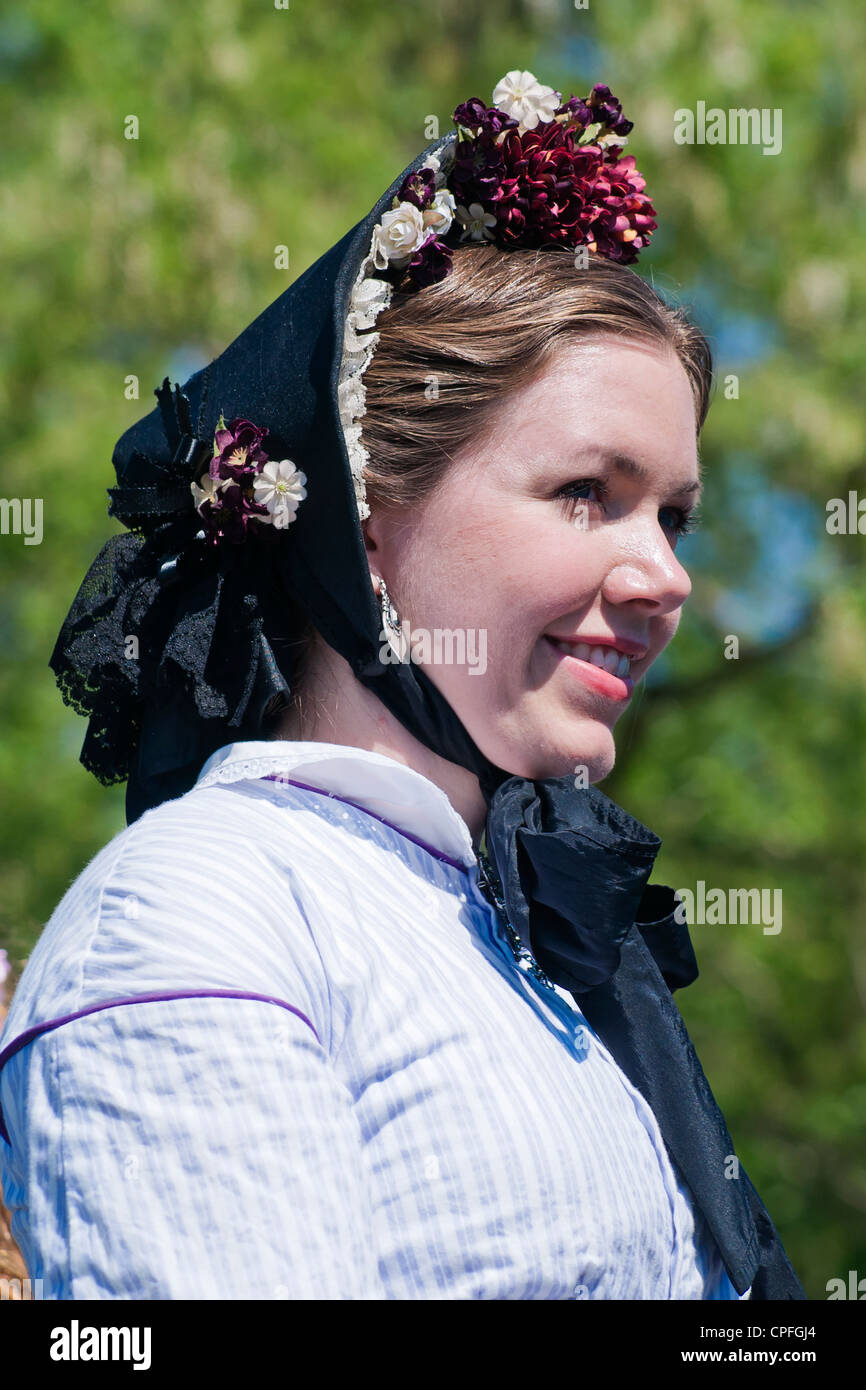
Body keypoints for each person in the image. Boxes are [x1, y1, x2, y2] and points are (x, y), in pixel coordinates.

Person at [0, 70, 805, 1300]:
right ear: (365, 520)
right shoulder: (211, 912)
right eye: (586, 492)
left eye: (675, 517)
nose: (663, 575)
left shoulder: (528, 946)